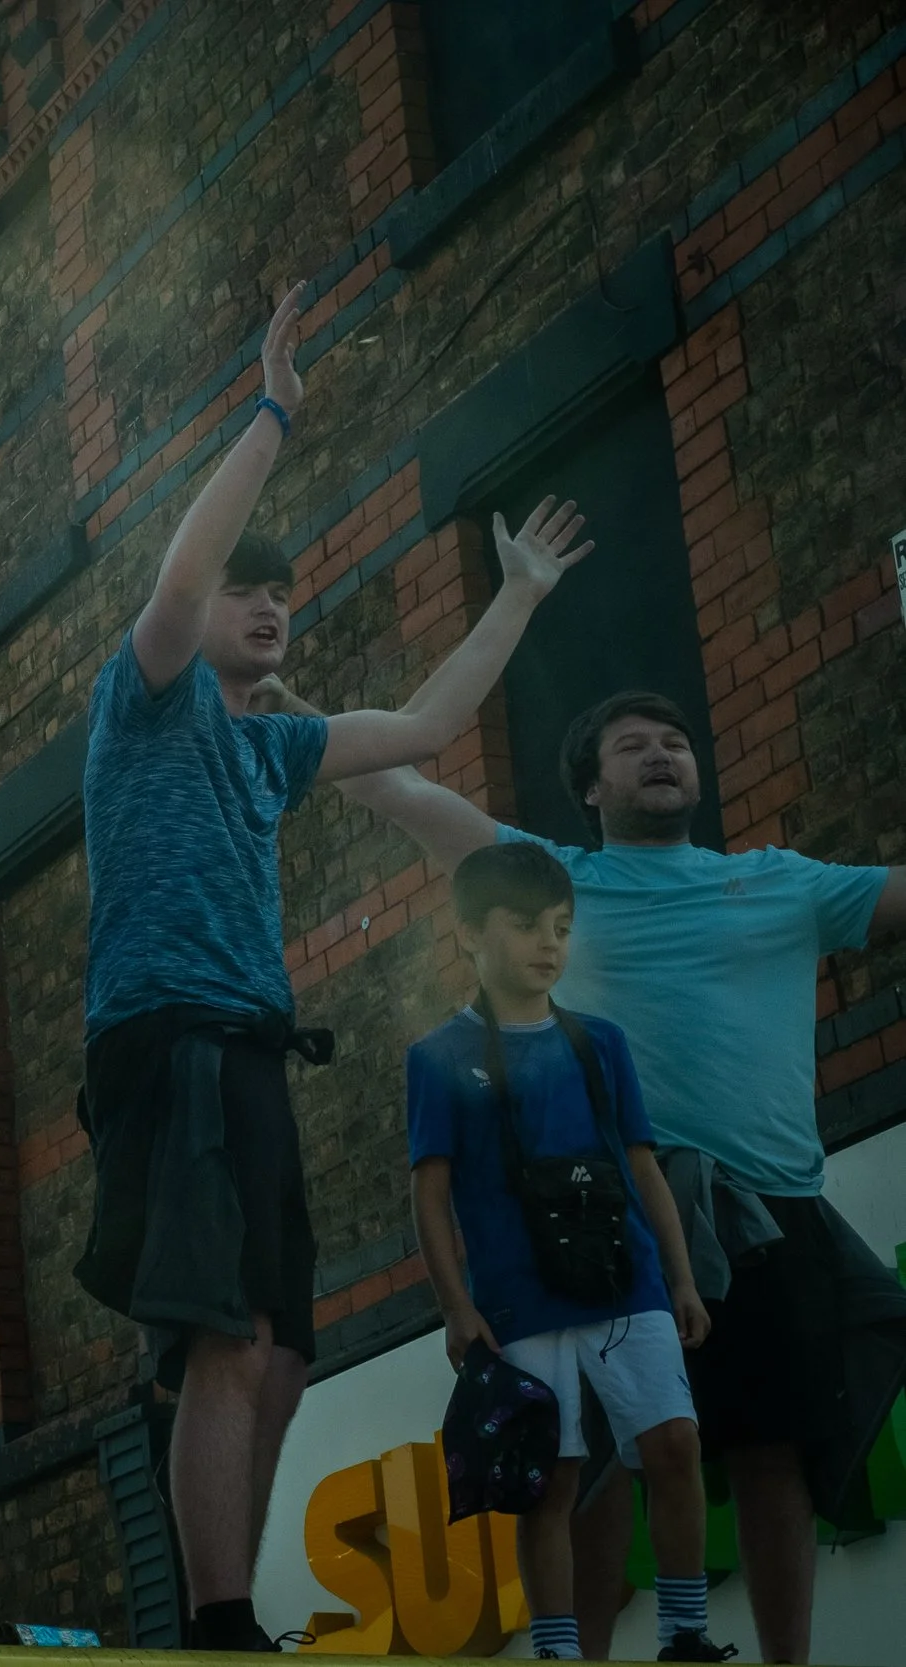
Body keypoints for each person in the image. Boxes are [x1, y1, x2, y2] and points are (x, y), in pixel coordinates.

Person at [74, 281, 596, 1652]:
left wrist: (523, 594)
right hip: (169, 1039)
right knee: (225, 1340)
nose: (267, 607)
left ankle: (223, 1608)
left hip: (251, 1050)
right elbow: (182, 580)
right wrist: (272, 416)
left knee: (285, 1355)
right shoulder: (147, 700)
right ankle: (217, 1617)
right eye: (253, 588)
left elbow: (428, 716)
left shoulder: (273, 747)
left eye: (283, 595)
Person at [292, 687, 906, 1663]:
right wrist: (293, 712)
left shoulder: (783, 882)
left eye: (673, 742)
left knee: (771, 1447)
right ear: (591, 785)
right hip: (599, 1222)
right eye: (631, 746)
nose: (660, 755)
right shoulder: (554, 886)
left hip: (770, 1208)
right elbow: (391, 783)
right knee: (593, 1462)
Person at [408, 843, 723, 1662]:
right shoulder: (440, 1056)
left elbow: (644, 1167)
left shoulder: (601, 1042)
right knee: (549, 1482)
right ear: (470, 932)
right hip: (516, 1294)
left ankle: (683, 1631)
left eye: (561, 927)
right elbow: (430, 1190)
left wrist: (682, 1276)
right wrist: (455, 1305)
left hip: (629, 1281)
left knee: (676, 1443)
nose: (548, 943)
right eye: (525, 925)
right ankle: (556, 1650)